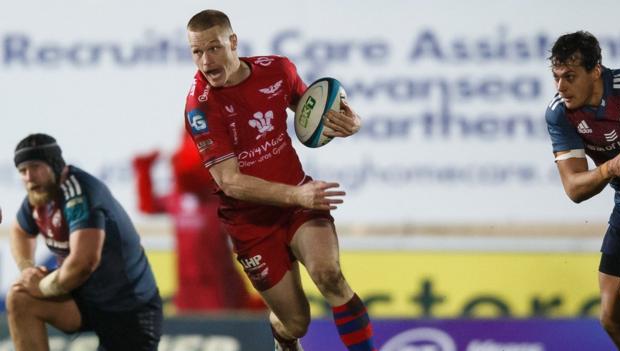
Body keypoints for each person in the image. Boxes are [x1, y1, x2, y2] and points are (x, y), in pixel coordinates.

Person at [184, 9, 376, 351]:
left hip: (298, 204)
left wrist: (351, 121)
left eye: (213, 48)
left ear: (233, 43)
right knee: (295, 322)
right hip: (250, 222)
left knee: (328, 274)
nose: (204, 61)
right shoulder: (200, 108)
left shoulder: (278, 69)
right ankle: (283, 338)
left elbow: (315, 112)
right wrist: (297, 196)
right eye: (196, 52)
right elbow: (230, 182)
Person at [7, 133, 162, 351]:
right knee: (20, 297)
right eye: (23, 171)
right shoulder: (39, 195)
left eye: (35, 167)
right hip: (85, 301)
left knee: (31, 291)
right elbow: (19, 230)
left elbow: (83, 264)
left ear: (56, 165)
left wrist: (41, 287)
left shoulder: (79, 193)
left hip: (129, 309)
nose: (29, 177)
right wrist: (27, 270)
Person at [546, 31, 620, 349]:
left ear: (596, 71)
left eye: (570, 77)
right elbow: (574, 189)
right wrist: (610, 168)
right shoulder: (560, 114)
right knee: (610, 316)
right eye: (556, 77)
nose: (561, 87)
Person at [133, 131, 260, 312]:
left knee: (223, 326)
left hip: (218, 282)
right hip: (187, 285)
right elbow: (147, 206)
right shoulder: (176, 197)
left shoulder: (219, 196)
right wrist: (143, 170)